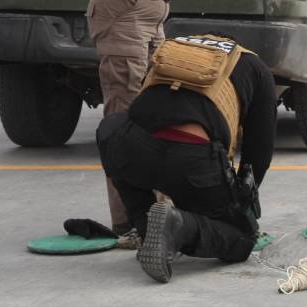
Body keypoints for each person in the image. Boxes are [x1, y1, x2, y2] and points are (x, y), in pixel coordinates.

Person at [96, 33, 279, 283]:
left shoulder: (173, 48)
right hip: (193, 162)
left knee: (111, 129)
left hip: (133, 150)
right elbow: (259, 153)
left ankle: (147, 228)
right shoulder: (256, 68)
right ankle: (177, 226)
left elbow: (137, 112)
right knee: (241, 239)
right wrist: (239, 207)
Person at [87, 0, 196, 247]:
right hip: (123, 13)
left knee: (157, 110)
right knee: (125, 119)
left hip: (152, 13)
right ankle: (130, 222)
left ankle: (159, 211)